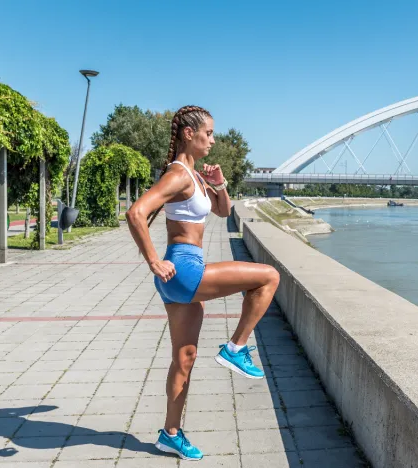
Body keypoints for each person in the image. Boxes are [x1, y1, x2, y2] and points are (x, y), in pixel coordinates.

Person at [126, 105, 280, 461]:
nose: (212, 139)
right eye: (208, 133)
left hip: (178, 277)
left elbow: (223, 211)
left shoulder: (193, 176)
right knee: (268, 276)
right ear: (188, 134)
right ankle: (236, 348)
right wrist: (153, 260)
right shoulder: (178, 175)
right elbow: (136, 212)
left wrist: (219, 183)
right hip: (183, 268)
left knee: (185, 358)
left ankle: (170, 434)